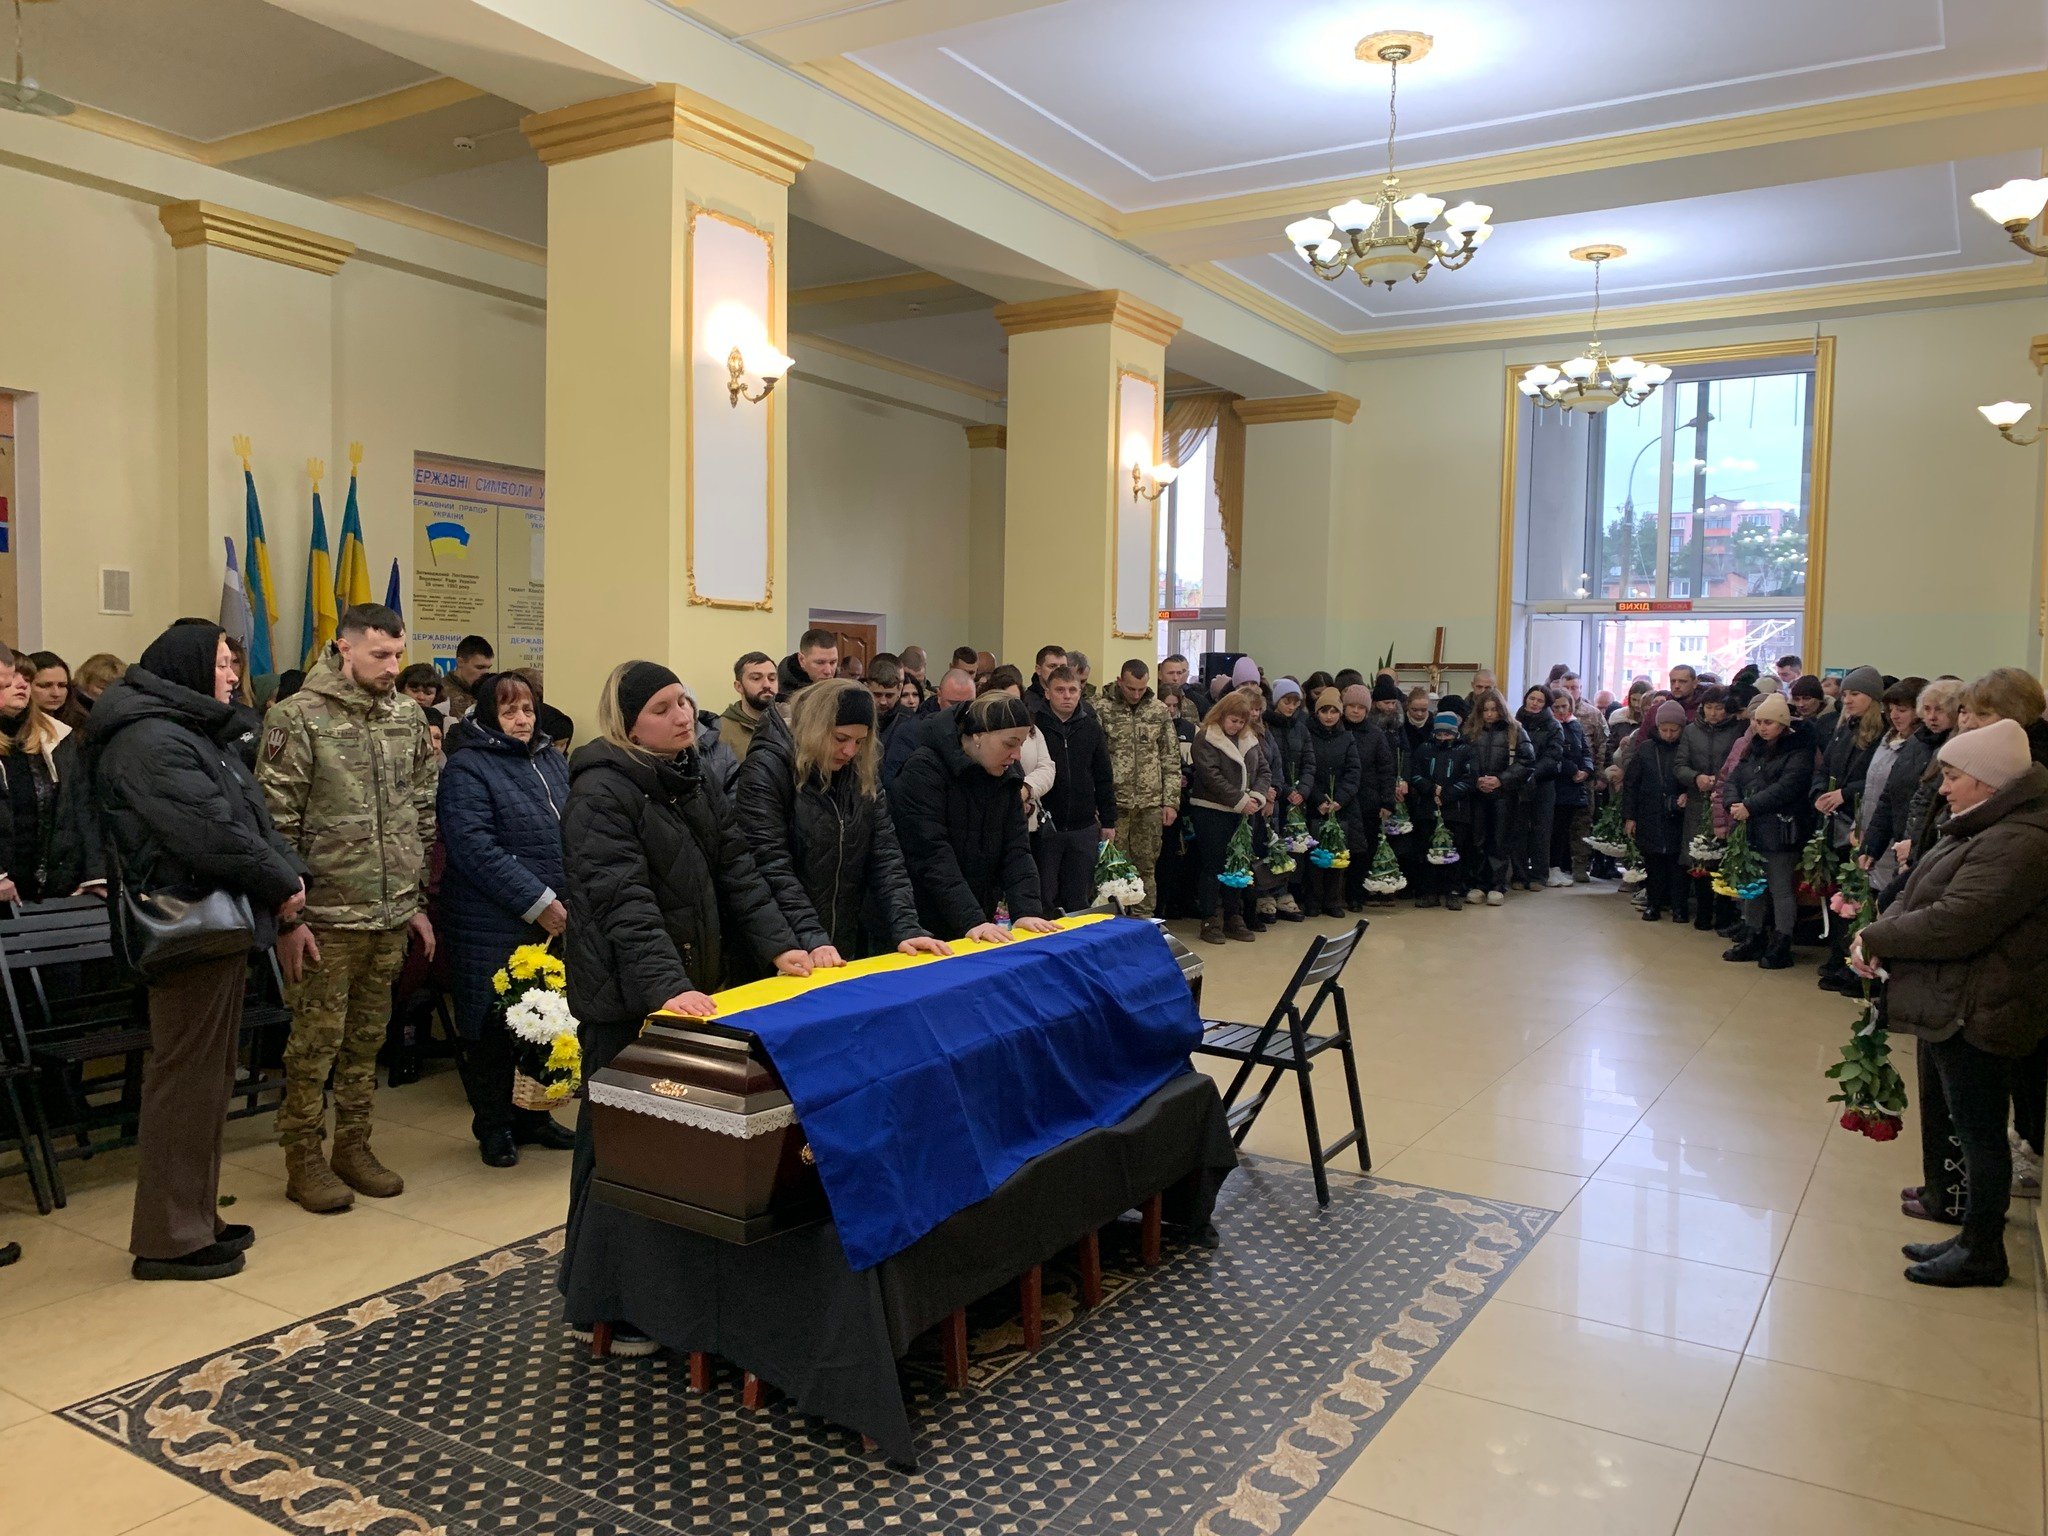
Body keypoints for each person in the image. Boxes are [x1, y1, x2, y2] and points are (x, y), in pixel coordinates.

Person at [560, 661, 809, 1355]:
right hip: (627, 998)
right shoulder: (600, 792)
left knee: (674, 1151)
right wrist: (665, 987)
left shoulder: (689, 778)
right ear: (628, 722)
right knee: (617, 1149)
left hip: (689, 990)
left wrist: (782, 947)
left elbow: (739, 873)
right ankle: (600, 1301)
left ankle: (664, 1291)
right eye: (664, 707)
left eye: (685, 702)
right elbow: (624, 903)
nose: (683, 716)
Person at [83, 622, 306, 1280]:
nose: (234, 675)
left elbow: (250, 818)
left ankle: (195, 1216)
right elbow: (211, 834)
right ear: (186, 667)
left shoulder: (188, 732)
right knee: (185, 1083)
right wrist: (281, 883)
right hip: (186, 927)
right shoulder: (150, 740)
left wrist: (289, 876)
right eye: (223, 663)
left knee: (208, 1082)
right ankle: (168, 1239)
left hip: (216, 925)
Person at [1855, 719, 2048, 1288]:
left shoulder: (2019, 839)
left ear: (1988, 781)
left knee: (1980, 1133)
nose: (1943, 788)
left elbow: (1956, 921)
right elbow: (1918, 893)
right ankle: (1969, 1236)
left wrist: (1879, 937)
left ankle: (1983, 1250)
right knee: (1969, 1126)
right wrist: (1876, 932)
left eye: (1953, 777)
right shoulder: (1982, 824)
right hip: (1960, 998)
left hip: (1983, 1004)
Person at [258, 604, 437, 1213]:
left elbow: (421, 808)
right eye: (380, 655)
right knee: (314, 1046)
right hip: (326, 917)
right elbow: (275, 824)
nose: (392, 667)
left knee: (366, 1041)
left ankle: (353, 1147)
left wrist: (415, 900)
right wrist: (290, 916)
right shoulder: (297, 717)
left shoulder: (407, 716)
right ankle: (303, 1158)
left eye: (398, 655)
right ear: (344, 648)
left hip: (389, 912)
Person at [435, 671, 576, 1168]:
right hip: (492, 920)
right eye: (510, 711)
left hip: (553, 917)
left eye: (528, 710)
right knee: (494, 1026)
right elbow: (475, 847)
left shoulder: (550, 758)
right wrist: (539, 902)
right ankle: (494, 1126)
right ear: (489, 716)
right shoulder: (467, 766)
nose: (522, 720)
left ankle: (534, 1117)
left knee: (542, 1021)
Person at [735, 676, 948, 971]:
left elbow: (885, 855)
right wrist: (812, 937)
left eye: (859, 742)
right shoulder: (767, 768)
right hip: (780, 945)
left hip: (837, 941)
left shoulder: (859, 771)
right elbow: (771, 864)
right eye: (840, 739)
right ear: (814, 727)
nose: (850, 751)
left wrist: (907, 927)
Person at [892, 692, 1058, 942]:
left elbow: (1016, 850)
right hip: (921, 922)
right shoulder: (924, 769)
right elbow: (932, 855)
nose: (1016, 755)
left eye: (1021, 744)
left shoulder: (1007, 772)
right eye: (1009, 744)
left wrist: (1027, 912)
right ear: (979, 735)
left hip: (975, 916)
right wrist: (972, 919)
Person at [1723, 694, 1808, 969]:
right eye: (1758, 722)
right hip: (1751, 828)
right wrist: (1732, 803)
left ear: (1783, 724)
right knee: (1753, 887)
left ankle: (1782, 942)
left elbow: (1786, 788)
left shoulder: (1798, 751)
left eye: (1768, 722)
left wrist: (1749, 806)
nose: (1762, 727)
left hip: (1781, 831)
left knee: (1780, 888)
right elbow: (1733, 779)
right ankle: (1754, 935)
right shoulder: (1753, 748)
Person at [1813, 665, 1884, 993]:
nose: (1848, 700)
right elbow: (1824, 768)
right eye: (1845, 694)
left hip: (1860, 821)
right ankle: (1838, 957)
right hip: (1835, 820)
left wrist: (1843, 793)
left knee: (1858, 896)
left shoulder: (1880, 735)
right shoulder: (1842, 729)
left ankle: (1855, 965)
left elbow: (1875, 781)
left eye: (1856, 694)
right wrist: (1819, 794)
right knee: (1840, 894)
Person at [1028, 665, 1118, 913]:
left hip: (1083, 826)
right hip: (1046, 827)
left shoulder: (1091, 727)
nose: (1067, 696)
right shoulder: (1035, 726)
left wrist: (1108, 820)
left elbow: (1103, 777)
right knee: (1044, 897)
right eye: (1060, 690)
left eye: (1072, 690)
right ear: (1048, 693)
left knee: (1078, 898)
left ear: (1080, 692)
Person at [1100, 659, 1180, 918]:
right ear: (1119, 681)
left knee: (1146, 867)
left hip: (1149, 805)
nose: (1136, 695)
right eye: (1131, 688)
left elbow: (1170, 758)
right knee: (1112, 868)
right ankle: (1114, 923)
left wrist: (1171, 801)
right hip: (1115, 805)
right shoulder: (1101, 709)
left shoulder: (1158, 711)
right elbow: (1094, 761)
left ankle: (1145, 922)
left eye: (1141, 689)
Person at [1187, 689, 1268, 943]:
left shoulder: (1249, 738)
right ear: (1221, 715)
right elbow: (1211, 776)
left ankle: (1234, 916)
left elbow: (1264, 770)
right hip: (1212, 811)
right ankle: (1209, 919)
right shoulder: (1206, 738)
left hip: (1244, 812)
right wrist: (1240, 800)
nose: (1237, 726)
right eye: (1233, 720)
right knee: (1213, 865)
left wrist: (1257, 797)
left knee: (1238, 864)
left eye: (1242, 722)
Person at [0, 648, 72, 904]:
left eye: (28, 679)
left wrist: (91, 873)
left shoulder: (54, 737)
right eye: (11, 679)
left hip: (45, 882)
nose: (21, 685)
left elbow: (76, 807)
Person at [1676, 686, 1742, 927]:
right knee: (1700, 856)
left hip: (1726, 801)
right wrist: (1696, 777)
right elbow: (1680, 765)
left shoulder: (1737, 731)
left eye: (1719, 708)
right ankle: (1703, 913)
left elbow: (1740, 764)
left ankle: (1724, 914)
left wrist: (1723, 782)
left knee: (1723, 857)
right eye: (1709, 708)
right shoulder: (1691, 731)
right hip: (1698, 801)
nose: (1713, 713)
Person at [1856, 677, 1929, 892]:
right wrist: (1864, 833)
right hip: (1877, 831)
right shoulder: (1888, 739)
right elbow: (1877, 791)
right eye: (1890, 709)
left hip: (1900, 840)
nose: (1894, 715)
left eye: (1902, 710)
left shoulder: (1921, 747)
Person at [1462, 689, 1531, 906]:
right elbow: (1462, 759)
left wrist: (1501, 780)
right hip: (1477, 794)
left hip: (1504, 795)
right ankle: (1477, 884)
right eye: (1485, 710)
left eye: (1494, 710)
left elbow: (1526, 761)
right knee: (1477, 839)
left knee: (1500, 840)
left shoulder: (1515, 731)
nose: (1490, 714)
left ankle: (1496, 885)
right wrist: (1476, 780)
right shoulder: (1469, 731)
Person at [1623, 701, 1689, 921]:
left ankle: (1679, 907)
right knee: (1653, 863)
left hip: (1678, 815)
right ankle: (1653, 904)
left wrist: (1687, 794)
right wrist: (1630, 816)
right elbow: (1631, 784)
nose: (1668, 734)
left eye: (1674, 730)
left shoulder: (1686, 749)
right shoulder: (1646, 749)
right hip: (1650, 814)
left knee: (1678, 864)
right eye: (1664, 729)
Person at [1302, 688, 1362, 919]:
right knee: (1315, 855)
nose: (1329, 716)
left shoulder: (1347, 738)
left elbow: (1353, 772)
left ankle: (1333, 901)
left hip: (1341, 807)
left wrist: (1339, 800)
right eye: (1324, 711)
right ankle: (1313, 901)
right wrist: (1318, 798)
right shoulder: (1308, 734)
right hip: (1315, 804)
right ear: (1317, 713)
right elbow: (1307, 768)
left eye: (1334, 711)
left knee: (1337, 855)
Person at [1409, 711, 1476, 910]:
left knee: (1454, 851)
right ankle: (1430, 891)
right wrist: (1432, 790)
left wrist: (1446, 794)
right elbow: (1415, 774)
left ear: (1455, 733)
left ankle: (1453, 891)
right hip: (1428, 809)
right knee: (1428, 850)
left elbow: (1470, 779)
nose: (1443, 738)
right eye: (1439, 734)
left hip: (1456, 811)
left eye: (1447, 734)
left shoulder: (1466, 750)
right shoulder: (1424, 749)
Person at [886, 666, 976, 793]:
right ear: (939, 696)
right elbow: (894, 784)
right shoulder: (911, 732)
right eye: (954, 704)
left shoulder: (980, 731)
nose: (962, 711)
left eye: (968, 705)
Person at [1511, 685, 1564, 892]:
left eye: (1540, 700)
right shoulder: (1514, 722)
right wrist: (1519, 773)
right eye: (1532, 698)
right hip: (1518, 782)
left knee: (1541, 830)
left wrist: (1533, 773)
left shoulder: (1553, 726)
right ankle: (1519, 874)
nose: (1534, 703)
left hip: (1543, 783)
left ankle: (1539, 876)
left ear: (1546, 704)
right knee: (1518, 829)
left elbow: (1553, 756)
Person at [1547, 687, 1595, 885]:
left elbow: (1585, 750)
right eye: (1556, 707)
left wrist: (1587, 770)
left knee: (1564, 829)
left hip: (1574, 786)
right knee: (1554, 829)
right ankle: (1551, 867)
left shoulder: (1575, 725)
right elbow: (1555, 754)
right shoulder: (1551, 726)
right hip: (1558, 783)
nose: (1561, 711)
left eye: (1564, 706)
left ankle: (1557, 867)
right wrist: (1573, 770)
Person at [720, 652, 779, 766]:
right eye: (756, 678)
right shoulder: (721, 731)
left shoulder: (791, 723)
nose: (767, 684)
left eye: (772, 678)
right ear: (739, 686)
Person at [26, 651, 88, 731]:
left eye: (62, 685)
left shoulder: (82, 722)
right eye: (45, 686)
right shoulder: (15, 724)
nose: (56, 693)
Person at [776, 629, 840, 702]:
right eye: (820, 662)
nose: (828, 671)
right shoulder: (777, 696)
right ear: (801, 660)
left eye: (833, 662)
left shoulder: (841, 691)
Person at [445, 635, 494, 719]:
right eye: (479, 667)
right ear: (460, 662)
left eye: (488, 668)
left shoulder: (489, 692)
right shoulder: (440, 693)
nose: (485, 673)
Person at [1158, 654, 1202, 727]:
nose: (1175, 678)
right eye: (1170, 673)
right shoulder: (1153, 701)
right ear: (1160, 675)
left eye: (1179, 673)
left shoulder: (1189, 705)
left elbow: (1194, 731)